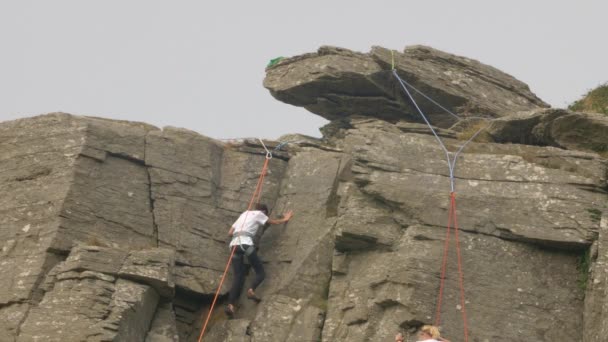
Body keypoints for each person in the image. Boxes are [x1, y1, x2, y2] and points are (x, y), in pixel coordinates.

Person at [225, 203, 294, 317]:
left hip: (234, 246)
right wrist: (286, 218)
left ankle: (231, 306)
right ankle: (251, 290)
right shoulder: (259, 214)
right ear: (264, 212)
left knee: (238, 277)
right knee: (260, 272)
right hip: (246, 244)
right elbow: (274, 222)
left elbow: (230, 233)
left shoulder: (244, 214)